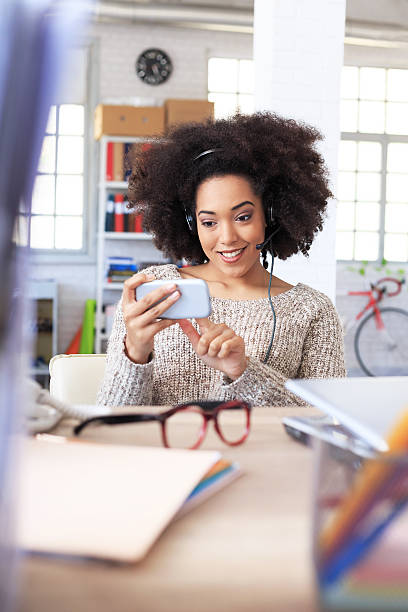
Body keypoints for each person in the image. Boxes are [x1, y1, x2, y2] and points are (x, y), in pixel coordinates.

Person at [97, 112, 346, 408]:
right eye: (209, 222)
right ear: (192, 224)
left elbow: (330, 422)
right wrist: (135, 352)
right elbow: (111, 418)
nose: (227, 237)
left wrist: (242, 370)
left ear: (269, 215)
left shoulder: (312, 311)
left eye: (242, 217)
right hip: (168, 453)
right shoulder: (158, 289)